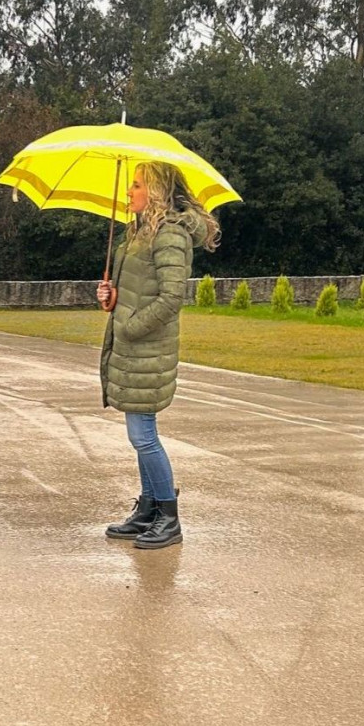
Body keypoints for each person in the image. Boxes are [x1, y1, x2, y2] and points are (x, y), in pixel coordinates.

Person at [97, 161, 219, 549]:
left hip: (147, 349)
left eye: (135, 186)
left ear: (156, 192)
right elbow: (135, 290)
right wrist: (111, 298)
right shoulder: (139, 233)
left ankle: (168, 517)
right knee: (140, 436)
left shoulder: (169, 235)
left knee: (143, 435)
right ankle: (149, 508)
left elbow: (171, 298)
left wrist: (129, 326)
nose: (128, 192)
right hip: (135, 350)